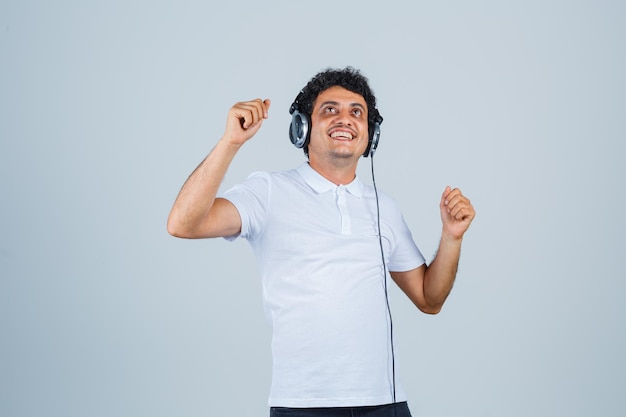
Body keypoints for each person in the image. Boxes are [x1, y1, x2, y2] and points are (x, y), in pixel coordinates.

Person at [167, 67, 475, 417]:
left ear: (370, 135)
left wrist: (451, 237)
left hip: (385, 405)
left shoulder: (384, 207)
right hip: (303, 406)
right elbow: (183, 223)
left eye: (356, 112)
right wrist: (230, 143)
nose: (345, 119)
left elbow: (429, 299)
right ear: (302, 129)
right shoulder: (268, 192)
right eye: (330, 110)